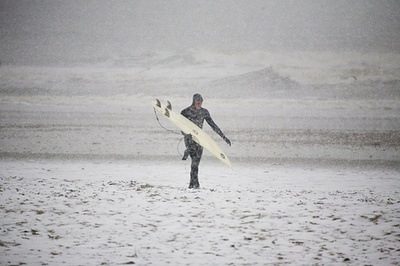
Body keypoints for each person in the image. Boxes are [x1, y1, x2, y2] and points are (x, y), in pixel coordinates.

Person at [180, 93, 231, 189]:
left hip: (200, 139)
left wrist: (224, 137)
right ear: (194, 102)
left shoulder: (204, 112)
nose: (199, 104)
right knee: (194, 161)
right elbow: (180, 124)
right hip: (189, 138)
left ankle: (194, 183)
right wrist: (185, 134)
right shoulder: (186, 111)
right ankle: (193, 184)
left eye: (200, 103)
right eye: (197, 103)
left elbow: (213, 125)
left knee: (196, 163)